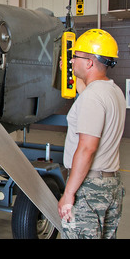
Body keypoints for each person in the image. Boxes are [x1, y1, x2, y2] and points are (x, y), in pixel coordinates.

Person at [58, 29, 126, 239]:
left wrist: (68, 194)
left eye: (75, 56)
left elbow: (87, 149)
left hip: (89, 189)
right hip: (110, 185)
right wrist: (67, 72)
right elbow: (89, 94)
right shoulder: (113, 91)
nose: (71, 60)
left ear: (89, 62)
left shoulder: (92, 98)